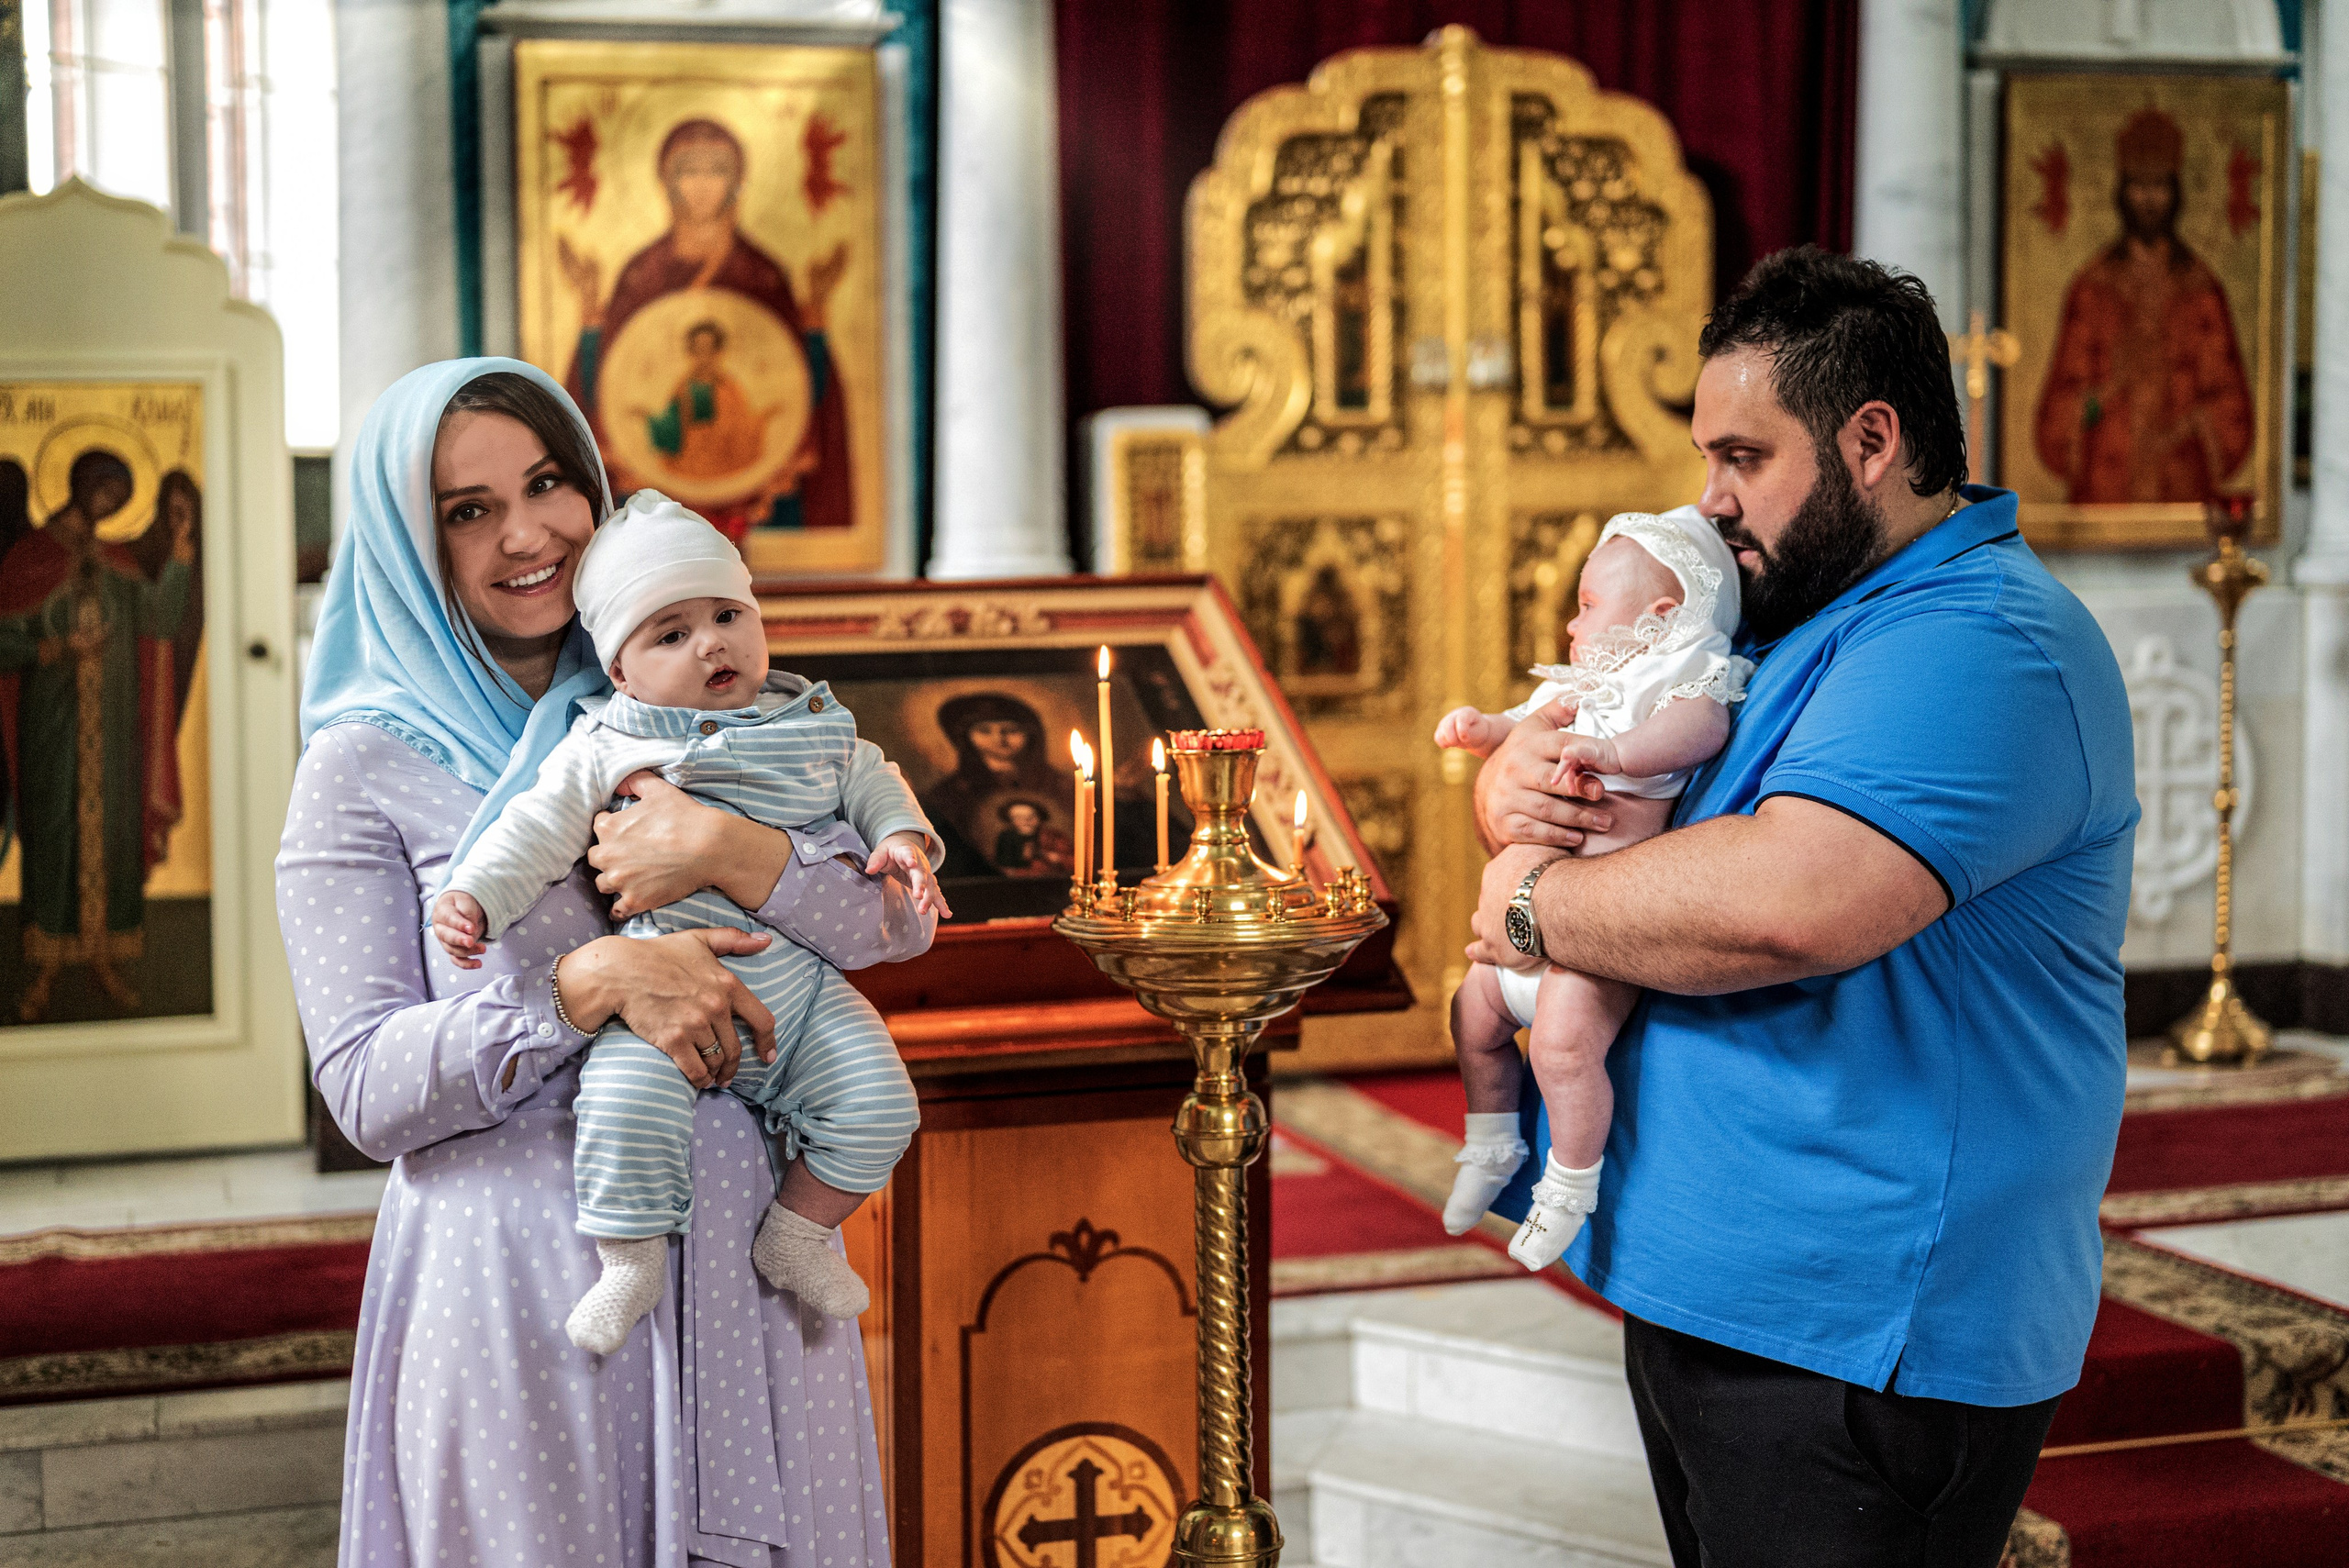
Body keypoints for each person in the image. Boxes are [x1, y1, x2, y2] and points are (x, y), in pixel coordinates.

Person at [1469, 248, 2136, 1566]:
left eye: (1743, 458)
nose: (1708, 501)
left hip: (1860, 1328)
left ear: (1871, 441)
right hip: (1723, 1286)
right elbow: (1616, 804)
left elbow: (1783, 907)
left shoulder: (1979, 640)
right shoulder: (1797, 614)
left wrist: (1530, 903)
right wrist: (1518, 786)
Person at [277, 359, 912, 1566]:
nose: (527, 534)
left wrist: (729, 848)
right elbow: (365, 1089)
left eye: (548, 483)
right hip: (531, 1295)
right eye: (467, 509)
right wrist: (586, 987)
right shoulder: (360, 768)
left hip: (750, 1270)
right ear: (409, 542)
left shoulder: (703, 688)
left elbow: (891, 928)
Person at [429, 490, 945, 1351]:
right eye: (671, 634)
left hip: (802, 997)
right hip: (661, 995)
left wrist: (899, 837)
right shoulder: (608, 742)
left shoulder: (811, 723)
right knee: (621, 1103)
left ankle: (798, 1232)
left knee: (883, 1103)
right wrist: (475, 895)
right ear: (622, 672)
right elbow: (534, 827)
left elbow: (871, 778)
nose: (712, 643)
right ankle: (628, 1261)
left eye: (727, 615)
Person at [1431, 511, 1748, 1270]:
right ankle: (1491, 1142)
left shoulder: (1684, 672)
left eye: (1588, 604)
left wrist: (1615, 751)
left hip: (1597, 940)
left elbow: (1700, 730)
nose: (1572, 625)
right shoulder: (1588, 683)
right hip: (1532, 918)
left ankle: (1568, 1186)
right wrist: (1485, 732)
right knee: (1471, 1013)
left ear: (1660, 617)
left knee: (1562, 1046)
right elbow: (1526, 725)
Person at [561, 117, 852, 535]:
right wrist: (591, 311)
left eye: (716, 170)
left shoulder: (762, 275)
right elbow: (607, 378)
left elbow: (801, 383)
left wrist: (816, 315)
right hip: (653, 497)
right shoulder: (642, 275)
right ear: (667, 181)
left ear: (736, 182)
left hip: (753, 488)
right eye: (688, 171)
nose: (702, 184)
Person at [0, 447, 195, 1019]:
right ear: (80, 482)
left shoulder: (118, 562)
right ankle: (46, 965)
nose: (109, 502)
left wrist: (180, 555)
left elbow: (159, 618)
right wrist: (56, 647)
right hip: (51, 726)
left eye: (120, 497)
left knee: (111, 834)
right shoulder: (32, 556)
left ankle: (103, 957)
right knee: (53, 832)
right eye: (104, 488)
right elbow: (3, 638)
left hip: (114, 732)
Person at [2033, 106, 2254, 505]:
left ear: (2176, 193)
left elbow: (2231, 405)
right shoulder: (2093, 289)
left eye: (2160, 186)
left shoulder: (2200, 290)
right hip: (2106, 487)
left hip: (2182, 487)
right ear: (2122, 191)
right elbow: (2059, 414)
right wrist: (2104, 394)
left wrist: (2192, 421)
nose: (2149, 199)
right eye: (2138, 185)